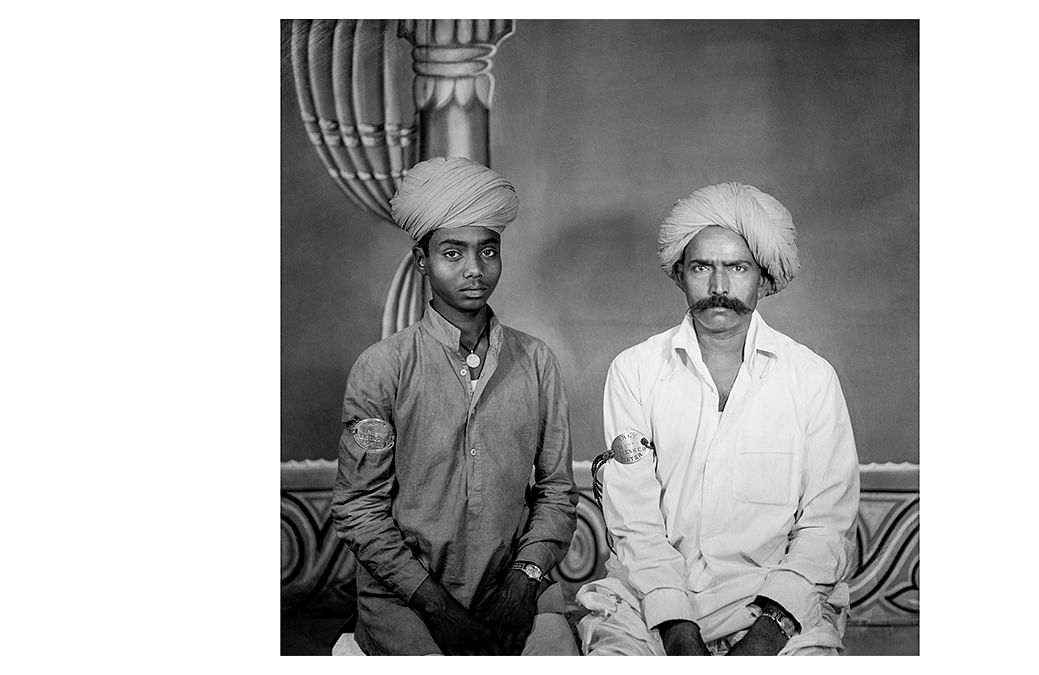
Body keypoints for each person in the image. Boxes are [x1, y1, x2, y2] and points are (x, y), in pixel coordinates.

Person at [576, 182, 861, 656]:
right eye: (702, 267)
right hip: (649, 602)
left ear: (762, 276)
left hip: (775, 607)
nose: (719, 288)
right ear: (680, 274)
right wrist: (678, 631)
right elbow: (636, 523)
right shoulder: (636, 371)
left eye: (737, 268)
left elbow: (825, 528)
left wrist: (764, 639)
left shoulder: (812, 379)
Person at [330, 156, 579, 656]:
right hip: (405, 599)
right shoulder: (384, 367)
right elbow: (359, 507)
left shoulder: (535, 361)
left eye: (488, 251)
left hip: (510, 589)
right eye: (453, 252)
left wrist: (524, 580)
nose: (474, 269)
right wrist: (436, 606)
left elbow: (556, 493)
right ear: (422, 259)